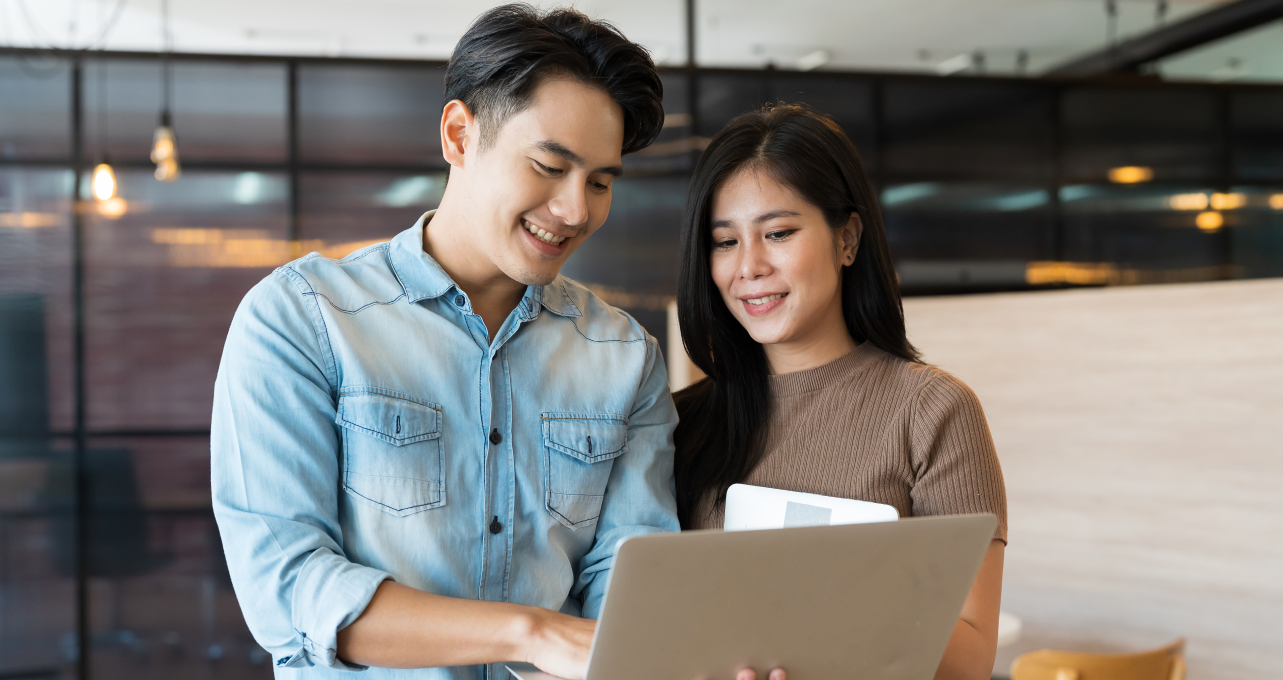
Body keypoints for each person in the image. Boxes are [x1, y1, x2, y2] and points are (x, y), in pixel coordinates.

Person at [211, 6, 677, 679]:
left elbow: (631, 579)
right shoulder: (301, 319)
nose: (577, 210)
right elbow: (288, 586)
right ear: (459, 135)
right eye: (549, 166)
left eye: (600, 182)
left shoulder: (625, 355)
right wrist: (532, 634)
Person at [672, 104, 1008, 680]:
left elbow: (972, 657)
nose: (748, 266)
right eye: (725, 242)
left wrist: (828, 608)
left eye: (778, 233)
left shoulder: (933, 412)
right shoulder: (680, 421)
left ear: (847, 238)